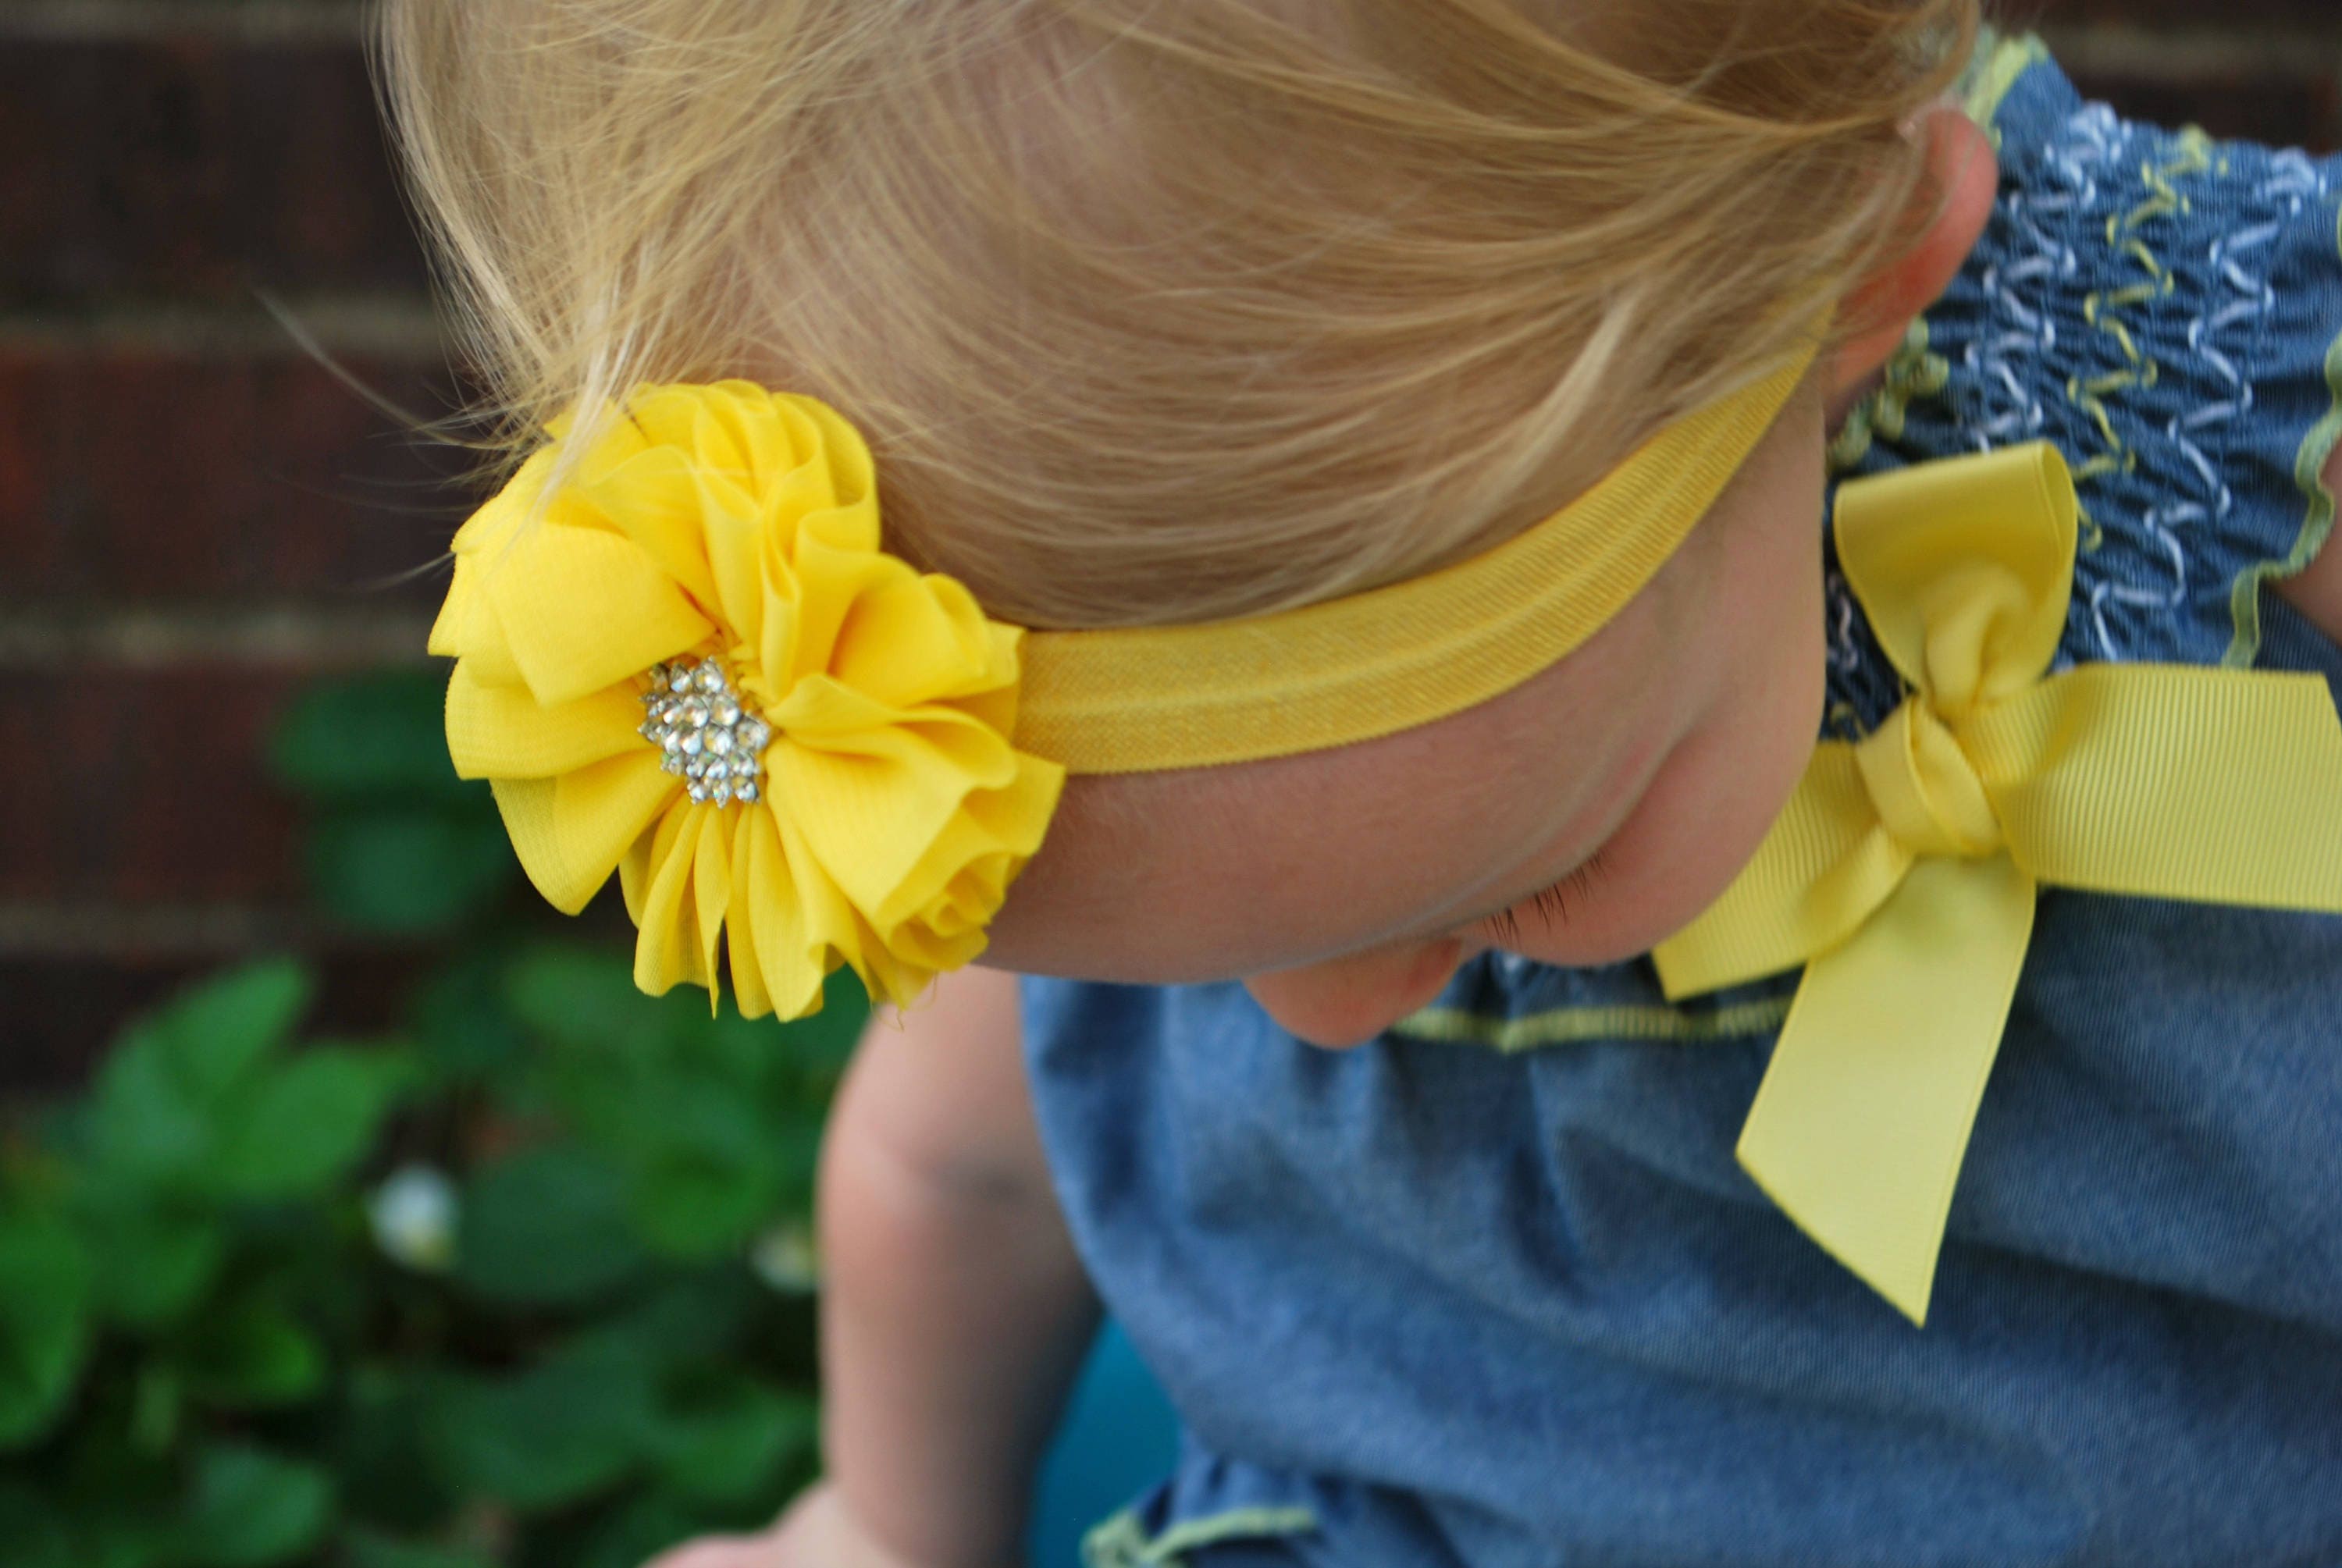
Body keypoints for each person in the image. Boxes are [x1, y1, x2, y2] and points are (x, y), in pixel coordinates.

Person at [381, 2, 2342, 1563]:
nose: (1315, 1021)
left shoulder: (2231, 439)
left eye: (1525, 881)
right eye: (1169, 970)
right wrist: (885, 1523)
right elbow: (950, 1165)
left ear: (1853, 280)